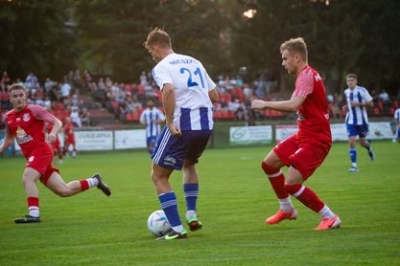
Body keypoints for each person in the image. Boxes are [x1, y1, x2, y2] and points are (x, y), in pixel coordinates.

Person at [251, 37, 341, 230]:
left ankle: (330, 217)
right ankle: (287, 209)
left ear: (297, 58)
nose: (283, 63)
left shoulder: (307, 75)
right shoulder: (306, 75)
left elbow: (293, 105)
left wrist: (265, 103)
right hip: (304, 135)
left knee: (291, 184)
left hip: (316, 140)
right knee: (269, 164)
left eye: (285, 59)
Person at [143, 28, 219, 240]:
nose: (153, 56)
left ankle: (176, 229)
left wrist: (169, 121)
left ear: (156, 48)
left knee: (158, 175)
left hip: (183, 125)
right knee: (189, 164)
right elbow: (215, 95)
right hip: (205, 125)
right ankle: (191, 214)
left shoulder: (162, 66)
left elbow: (168, 90)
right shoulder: (194, 61)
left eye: (152, 52)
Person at [0, 84, 111, 224]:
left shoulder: (35, 110)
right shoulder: (8, 117)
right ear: (9, 98)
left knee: (27, 179)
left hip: (41, 151)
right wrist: (1, 149)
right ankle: (95, 181)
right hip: (33, 157)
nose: (18, 98)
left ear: (26, 96)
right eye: (15, 96)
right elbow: (9, 139)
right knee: (64, 191)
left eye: (21, 95)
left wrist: (53, 133)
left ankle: (34, 214)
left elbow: (57, 122)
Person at [343, 73, 375, 172]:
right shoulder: (346, 92)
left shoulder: (362, 91)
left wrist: (358, 104)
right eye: (348, 81)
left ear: (356, 81)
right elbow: (349, 104)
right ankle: (354, 166)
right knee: (352, 141)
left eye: (352, 81)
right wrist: (346, 107)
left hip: (362, 121)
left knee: (362, 143)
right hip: (350, 120)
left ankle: (369, 148)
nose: (350, 83)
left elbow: (371, 104)